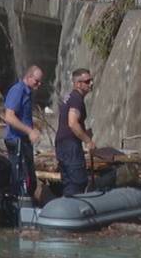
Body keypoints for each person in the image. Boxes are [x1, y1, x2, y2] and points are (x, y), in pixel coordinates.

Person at [3, 65, 43, 199]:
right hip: (16, 140)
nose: (39, 84)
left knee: (30, 178)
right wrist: (29, 131)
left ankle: (28, 201)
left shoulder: (27, 92)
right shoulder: (18, 90)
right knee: (20, 178)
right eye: (37, 81)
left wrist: (32, 129)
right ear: (29, 77)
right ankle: (18, 204)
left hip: (24, 140)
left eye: (40, 81)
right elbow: (9, 117)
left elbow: (23, 117)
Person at [55, 68, 96, 197]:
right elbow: (72, 123)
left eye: (91, 80)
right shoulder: (77, 99)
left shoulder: (70, 97)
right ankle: (72, 209)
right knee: (77, 181)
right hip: (70, 146)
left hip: (61, 144)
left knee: (68, 182)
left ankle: (66, 207)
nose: (91, 84)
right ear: (78, 84)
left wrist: (84, 132)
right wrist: (88, 141)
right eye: (87, 81)